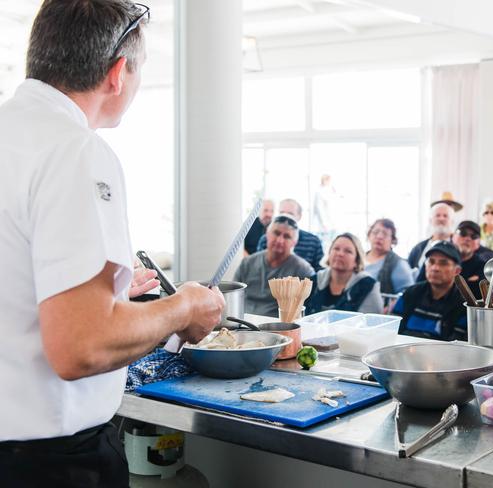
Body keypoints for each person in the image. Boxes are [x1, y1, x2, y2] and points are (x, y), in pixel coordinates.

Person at [0, 2, 225, 486]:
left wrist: (115, 303)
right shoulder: (75, 149)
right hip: (46, 463)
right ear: (118, 72)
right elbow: (80, 345)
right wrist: (184, 306)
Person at [236, 214, 314, 316]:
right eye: (276, 233)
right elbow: (235, 296)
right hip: (242, 322)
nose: (279, 240)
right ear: (267, 234)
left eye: (287, 236)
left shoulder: (304, 270)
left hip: (279, 327)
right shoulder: (247, 263)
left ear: (294, 243)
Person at [394, 241, 467, 341]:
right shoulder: (410, 293)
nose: (435, 268)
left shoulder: (462, 304)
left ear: (457, 271)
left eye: (443, 263)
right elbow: (393, 328)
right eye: (431, 262)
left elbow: (456, 344)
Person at [306, 233, 383, 315]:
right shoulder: (312, 282)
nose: (340, 254)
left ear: (357, 260)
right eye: (336, 248)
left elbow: (370, 323)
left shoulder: (368, 286)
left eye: (348, 251)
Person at [257, 198, 324, 271]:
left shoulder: (313, 241)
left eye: (290, 214)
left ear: (299, 216)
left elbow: (320, 273)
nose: (286, 218)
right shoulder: (266, 239)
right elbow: (259, 268)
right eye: (282, 213)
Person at [365, 218, 414, 294]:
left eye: (385, 234)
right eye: (375, 232)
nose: (379, 237)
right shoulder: (357, 259)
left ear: (392, 240)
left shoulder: (398, 264)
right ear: (369, 235)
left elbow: (408, 295)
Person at [408, 202, 455, 276]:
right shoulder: (418, 248)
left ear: (452, 221)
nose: (441, 219)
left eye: (445, 216)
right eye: (437, 215)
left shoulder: (458, 247)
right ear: (430, 220)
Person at [451, 220, 488, 300]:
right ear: (453, 237)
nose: (468, 238)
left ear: (478, 244)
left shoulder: (483, 267)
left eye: (474, 236)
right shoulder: (440, 259)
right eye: (463, 233)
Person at [312, 174, 337, 246]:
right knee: (325, 244)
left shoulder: (330, 191)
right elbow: (319, 209)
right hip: (324, 226)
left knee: (332, 243)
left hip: (331, 224)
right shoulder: (320, 192)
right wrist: (324, 224)